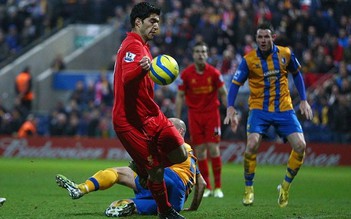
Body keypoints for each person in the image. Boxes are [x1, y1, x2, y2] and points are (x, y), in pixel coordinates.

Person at [112, 2, 188, 219]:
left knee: (180, 153)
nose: (157, 26)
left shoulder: (143, 46)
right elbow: (127, 78)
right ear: (138, 22)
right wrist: (141, 67)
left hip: (151, 114)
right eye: (152, 21)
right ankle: (165, 212)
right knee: (156, 170)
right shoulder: (132, 45)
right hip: (129, 121)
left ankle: (142, 166)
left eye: (158, 22)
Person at [224, 22, 313, 207]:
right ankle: (249, 188)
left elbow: (297, 74)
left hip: (284, 108)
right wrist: (230, 107)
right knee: (252, 145)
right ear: (256, 39)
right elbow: (234, 85)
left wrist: (303, 99)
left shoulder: (285, 54)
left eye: (266, 37)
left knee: (301, 146)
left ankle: (285, 187)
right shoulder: (248, 60)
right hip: (259, 109)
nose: (263, 40)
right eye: (260, 37)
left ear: (273, 37)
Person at [56, 118, 206, 217]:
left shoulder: (177, 146)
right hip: (172, 200)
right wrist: (193, 207)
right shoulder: (191, 156)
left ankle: (82, 188)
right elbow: (202, 184)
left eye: (169, 126)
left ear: (179, 131)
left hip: (170, 182)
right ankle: (122, 203)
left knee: (133, 170)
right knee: (131, 200)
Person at [175, 41, 228, 198]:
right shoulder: (186, 74)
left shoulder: (214, 73)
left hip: (212, 114)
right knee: (200, 152)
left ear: (207, 54)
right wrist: (177, 119)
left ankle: (218, 187)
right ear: (193, 54)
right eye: (198, 51)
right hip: (194, 115)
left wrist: (231, 110)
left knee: (213, 148)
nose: (201, 54)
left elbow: (223, 93)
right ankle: (207, 187)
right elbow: (179, 96)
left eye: (203, 51)